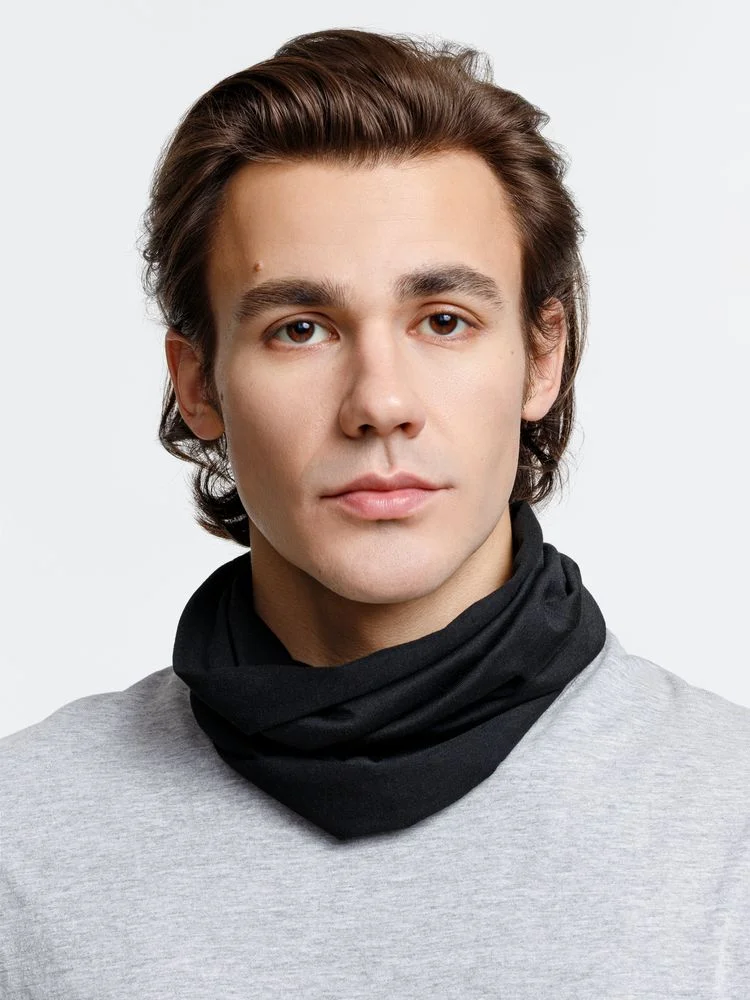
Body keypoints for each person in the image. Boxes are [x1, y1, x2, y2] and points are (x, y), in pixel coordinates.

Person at [1, 27, 748, 998]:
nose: (379, 402)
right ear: (198, 382)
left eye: (443, 320)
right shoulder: (23, 836)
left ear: (542, 356)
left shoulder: (730, 820)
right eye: (300, 329)